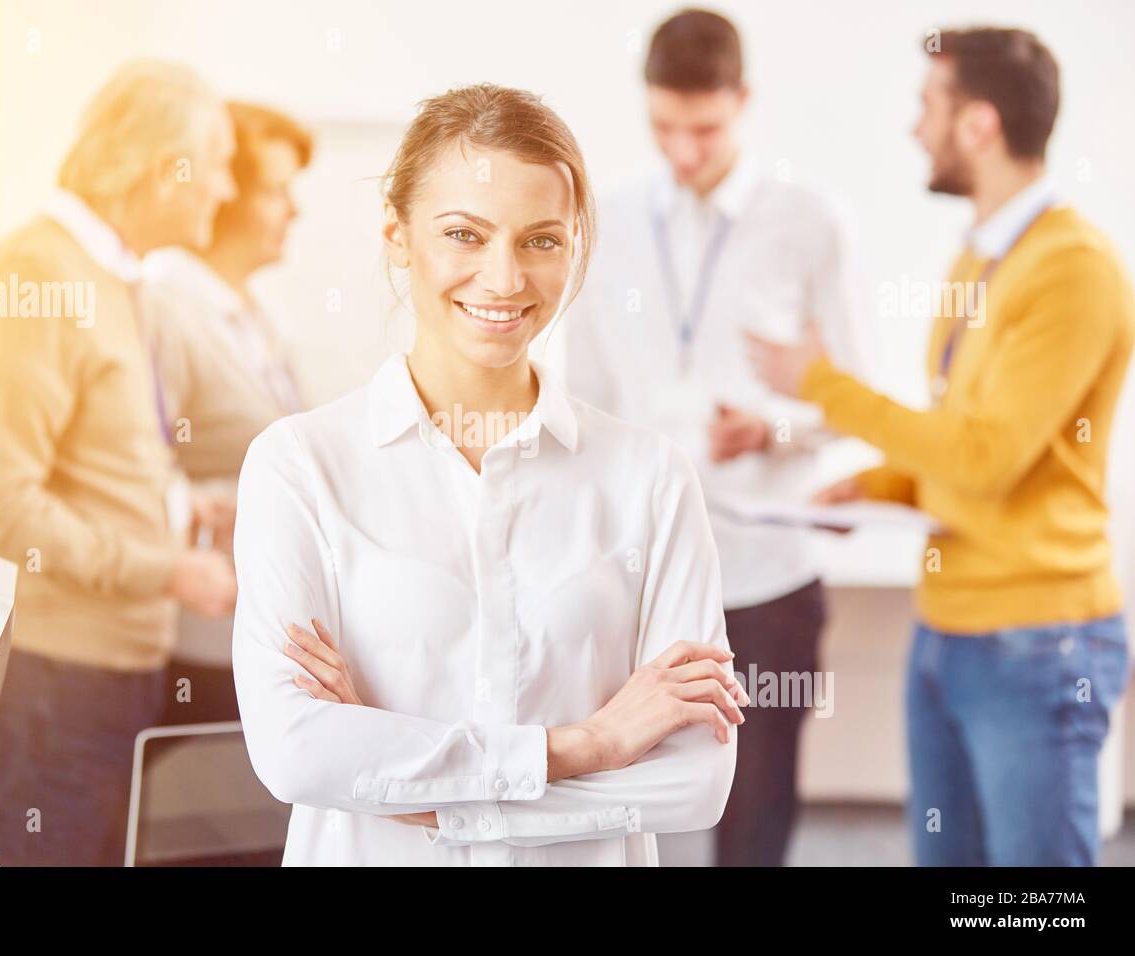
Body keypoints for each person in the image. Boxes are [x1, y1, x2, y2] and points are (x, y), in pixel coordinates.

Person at [232, 82, 747, 867]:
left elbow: (692, 784)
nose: (504, 279)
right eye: (465, 235)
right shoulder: (299, 466)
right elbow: (298, 753)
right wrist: (590, 743)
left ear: (575, 245)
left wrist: (410, 783)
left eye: (541, 240)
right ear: (398, 237)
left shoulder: (649, 479)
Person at [747, 27, 1135, 866]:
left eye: (929, 105)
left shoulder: (1074, 271)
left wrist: (820, 383)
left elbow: (986, 454)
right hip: (948, 629)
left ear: (978, 125)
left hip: (1036, 640)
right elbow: (963, 432)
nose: (913, 126)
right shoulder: (980, 258)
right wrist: (881, 487)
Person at [563, 8, 872, 866]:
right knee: (617, 797)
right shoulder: (609, 222)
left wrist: (773, 427)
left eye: (705, 128)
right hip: (636, 572)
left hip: (768, 573)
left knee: (756, 809)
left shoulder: (811, 222)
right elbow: (581, 401)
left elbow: (855, 401)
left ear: (745, 101)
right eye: (665, 128)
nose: (685, 152)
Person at [0, 61, 239, 866]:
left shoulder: (118, 284)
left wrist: (188, 514)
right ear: (160, 168)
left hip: (108, 677)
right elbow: (1, 504)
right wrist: (170, 572)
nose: (223, 189)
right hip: (48, 681)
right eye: (214, 163)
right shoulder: (38, 276)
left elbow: (96, 467)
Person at [141, 102, 314, 726]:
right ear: (224, 193)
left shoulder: (261, 314)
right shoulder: (164, 304)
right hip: (198, 639)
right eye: (275, 191)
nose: (293, 210)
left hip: (256, 627)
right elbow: (139, 467)